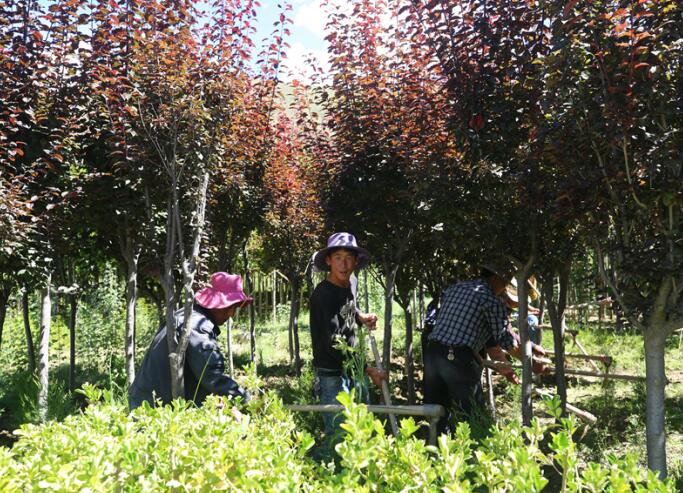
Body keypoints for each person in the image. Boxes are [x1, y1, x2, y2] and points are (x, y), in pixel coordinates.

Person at [423, 261, 547, 434]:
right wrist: (531, 358)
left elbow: (487, 331)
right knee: (472, 414)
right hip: (457, 358)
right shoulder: (490, 299)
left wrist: (530, 347)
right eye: (505, 283)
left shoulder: (457, 288)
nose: (505, 289)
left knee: (436, 412)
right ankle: (478, 453)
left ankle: (435, 452)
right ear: (496, 278)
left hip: (432, 353)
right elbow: (504, 340)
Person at [128, 272, 252, 411]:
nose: (231, 314)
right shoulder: (196, 326)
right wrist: (247, 401)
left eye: (234, 308)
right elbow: (211, 375)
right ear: (216, 302)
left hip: (148, 400)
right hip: (152, 408)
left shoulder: (188, 316)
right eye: (229, 307)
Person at [309, 232, 386, 440]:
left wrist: (360, 316)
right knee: (339, 435)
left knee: (361, 429)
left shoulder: (346, 287)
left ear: (356, 261)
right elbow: (334, 343)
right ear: (328, 261)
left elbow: (348, 308)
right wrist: (369, 370)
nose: (344, 265)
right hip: (333, 374)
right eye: (338, 258)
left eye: (349, 258)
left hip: (353, 369)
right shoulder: (323, 295)